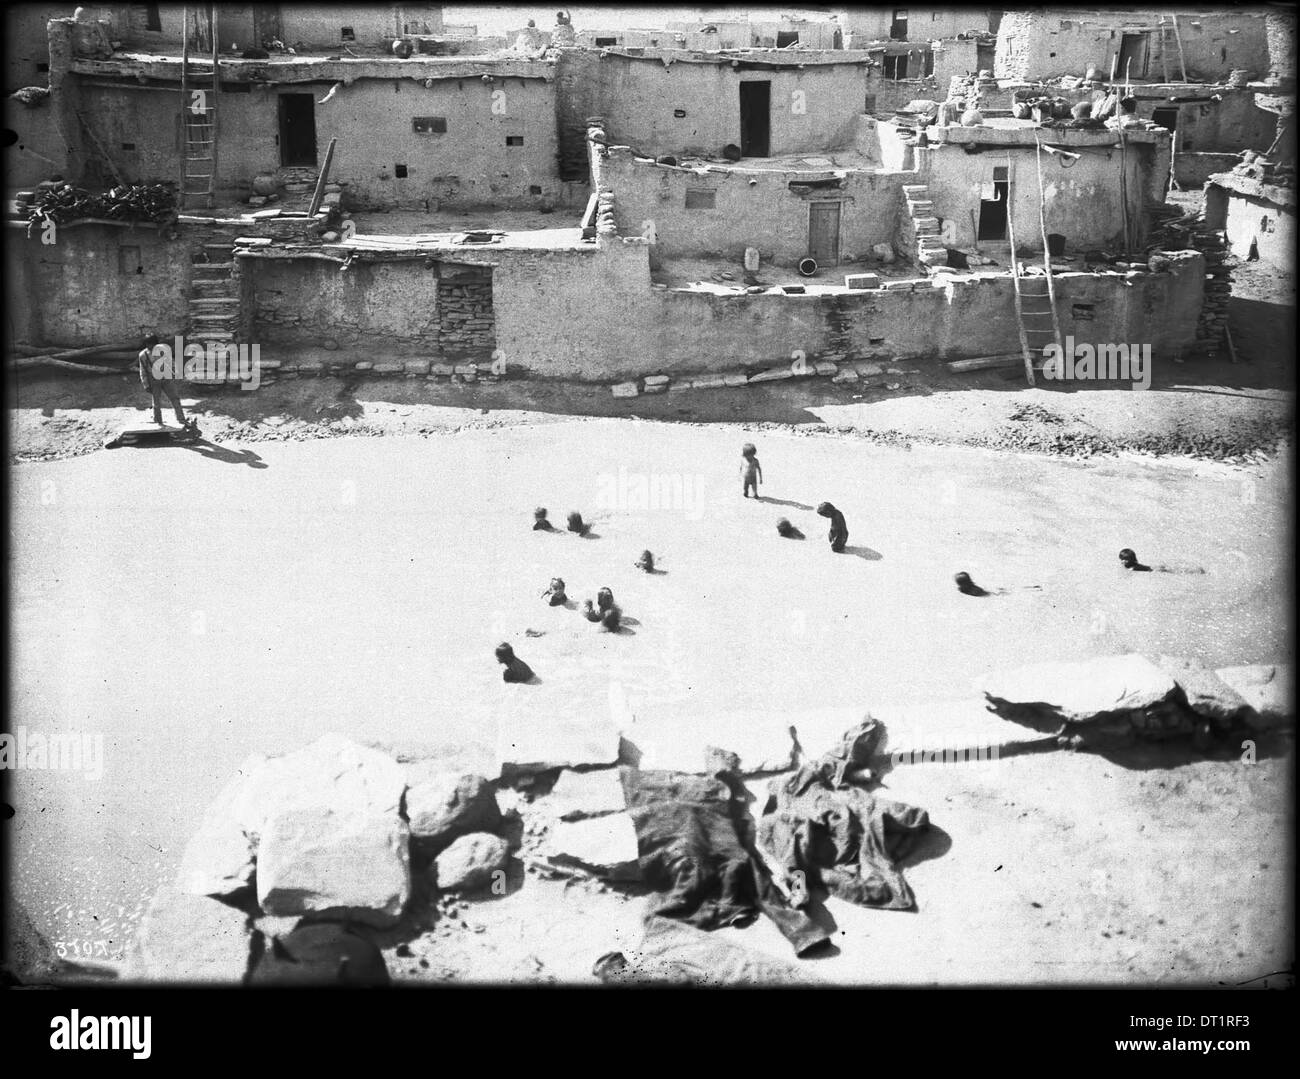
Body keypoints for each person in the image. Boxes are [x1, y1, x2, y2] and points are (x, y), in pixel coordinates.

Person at [138, 333, 186, 426]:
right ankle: (158, 421)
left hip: (166, 377)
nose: (151, 346)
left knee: (175, 398)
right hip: (153, 379)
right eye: (149, 344)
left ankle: (181, 419)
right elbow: (143, 371)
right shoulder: (143, 355)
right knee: (156, 402)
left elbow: (171, 362)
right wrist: (146, 384)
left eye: (153, 344)